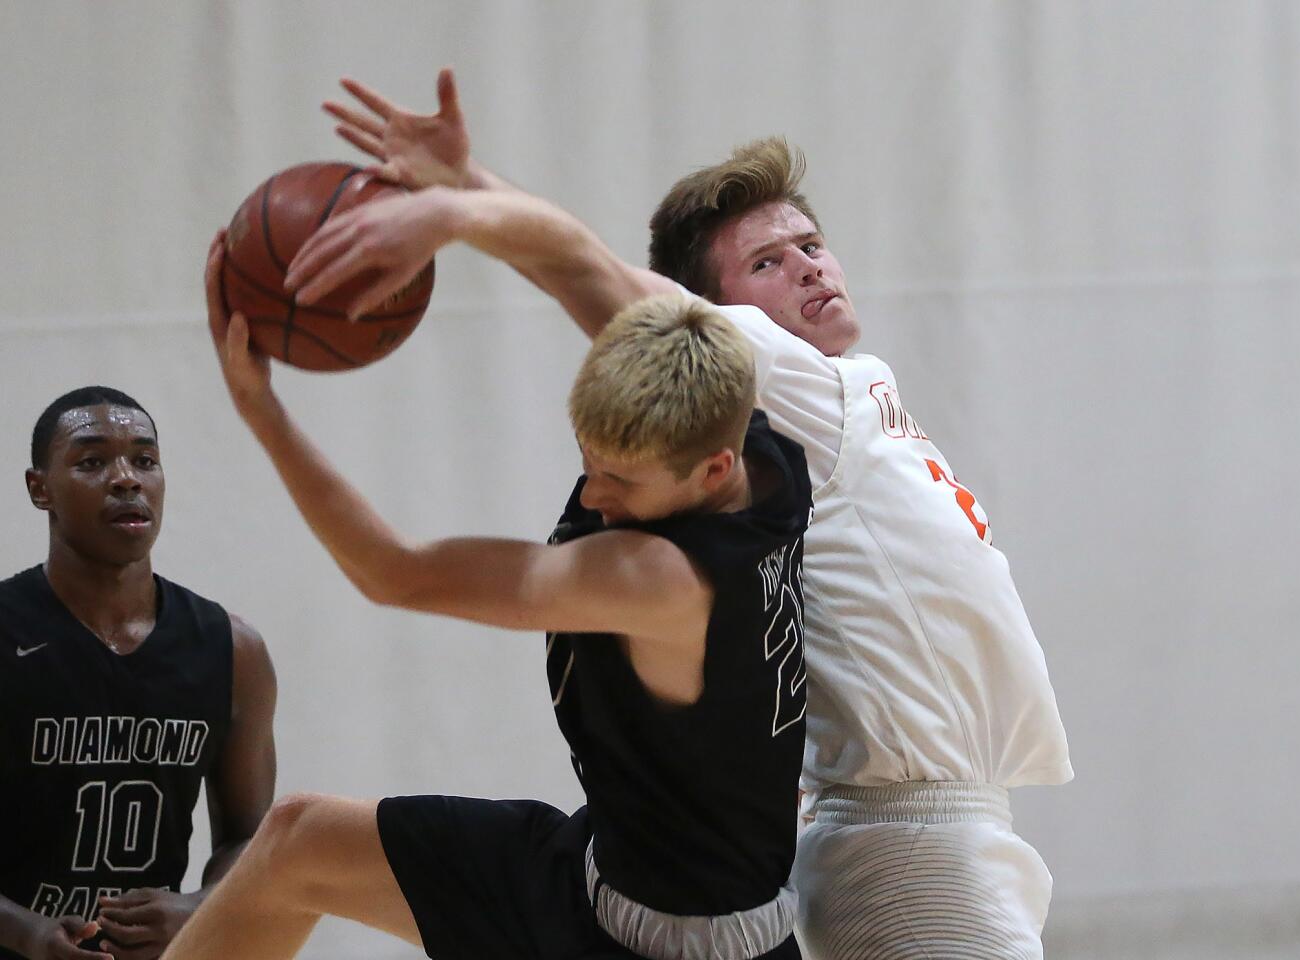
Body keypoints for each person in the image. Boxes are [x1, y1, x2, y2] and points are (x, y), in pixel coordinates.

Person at [288, 68, 1074, 959]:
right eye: (766, 263)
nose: (808, 266)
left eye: (811, 244)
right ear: (718, 316)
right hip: (905, 838)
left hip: (937, 826)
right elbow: (591, 274)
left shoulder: (846, 402)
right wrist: (462, 204)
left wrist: (467, 191)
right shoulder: (787, 394)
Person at [161, 236, 811, 960]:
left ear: (710, 470)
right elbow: (580, 272)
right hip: (601, 870)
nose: (594, 495)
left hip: (674, 947)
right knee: (299, 841)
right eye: (586, 463)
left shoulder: (656, 579)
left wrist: (262, 412)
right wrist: (444, 212)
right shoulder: (752, 441)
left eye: (620, 482)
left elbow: (395, 573)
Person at [0, 386, 278, 960]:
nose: (127, 478)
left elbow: (250, 837)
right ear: (39, 488)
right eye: (92, 461)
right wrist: (25, 931)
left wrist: (200, 906)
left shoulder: (233, 648)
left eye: (144, 460)